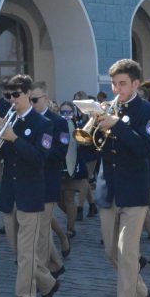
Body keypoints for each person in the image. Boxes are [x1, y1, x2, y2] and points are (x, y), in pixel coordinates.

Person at [95, 59, 150, 297]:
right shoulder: (108, 109)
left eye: (121, 83)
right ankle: (141, 292)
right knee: (111, 252)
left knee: (127, 253)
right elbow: (95, 147)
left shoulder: (149, 111)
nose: (116, 89)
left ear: (135, 84)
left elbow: (145, 147)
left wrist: (117, 125)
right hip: (109, 188)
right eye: (113, 84)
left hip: (134, 190)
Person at [0, 74, 59, 297]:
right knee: (19, 250)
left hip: (31, 194)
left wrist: (15, 139)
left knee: (26, 253)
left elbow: (40, 159)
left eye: (16, 95)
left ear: (28, 94)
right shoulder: (9, 122)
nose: (11, 100)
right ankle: (49, 283)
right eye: (8, 96)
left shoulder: (43, 125)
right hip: (9, 194)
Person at [30, 82, 69, 278]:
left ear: (46, 98)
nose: (31, 103)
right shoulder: (24, 120)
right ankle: (56, 264)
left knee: (42, 231)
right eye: (29, 99)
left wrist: (36, 152)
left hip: (47, 180)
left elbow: (60, 152)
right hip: (27, 181)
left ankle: (43, 275)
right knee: (38, 229)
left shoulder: (58, 122)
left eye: (35, 100)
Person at [59, 101, 89, 239]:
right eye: (63, 112)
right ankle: (73, 214)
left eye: (68, 112)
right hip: (59, 167)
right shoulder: (56, 124)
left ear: (73, 113)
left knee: (69, 198)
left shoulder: (79, 126)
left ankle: (70, 228)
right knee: (59, 200)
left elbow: (85, 144)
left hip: (73, 165)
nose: (66, 115)